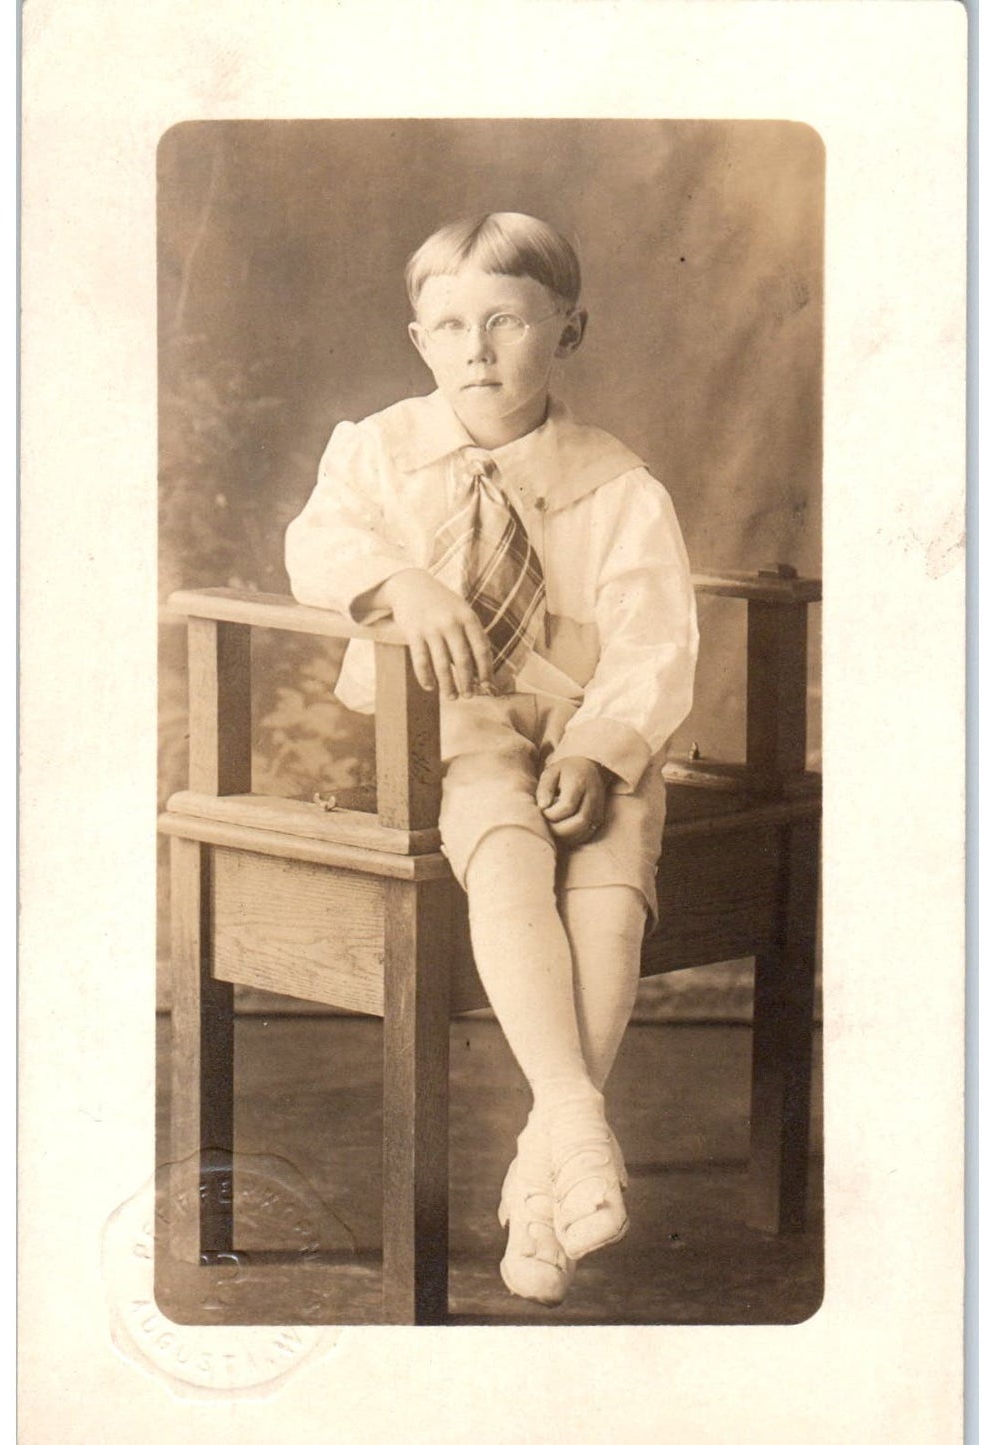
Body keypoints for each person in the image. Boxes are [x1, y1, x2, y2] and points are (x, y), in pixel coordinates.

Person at [285, 212, 698, 1306]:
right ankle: (572, 1114)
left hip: (578, 723)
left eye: (507, 322)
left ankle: (538, 1178)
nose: (476, 349)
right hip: (444, 721)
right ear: (417, 337)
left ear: (568, 331)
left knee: (607, 856)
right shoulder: (374, 449)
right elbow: (315, 546)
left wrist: (606, 749)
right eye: (451, 324)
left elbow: (654, 636)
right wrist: (398, 582)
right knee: (501, 831)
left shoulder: (618, 486)